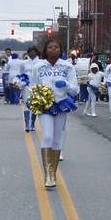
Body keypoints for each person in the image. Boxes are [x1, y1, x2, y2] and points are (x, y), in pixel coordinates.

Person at [30, 39, 76, 188]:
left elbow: (75, 89)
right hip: (45, 105)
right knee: (47, 136)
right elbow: (33, 85)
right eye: (50, 47)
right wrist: (38, 96)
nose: (53, 49)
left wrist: (66, 84)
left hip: (61, 104)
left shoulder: (68, 67)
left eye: (56, 47)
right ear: (46, 50)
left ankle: (53, 173)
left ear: (60, 50)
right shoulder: (38, 66)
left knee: (57, 138)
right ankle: (47, 174)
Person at [19, 47, 40, 131]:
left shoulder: (40, 62)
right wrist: (21, 82)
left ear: (36, 53)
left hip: (36, 86)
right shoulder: (23, 63)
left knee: (35, 105)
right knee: (27, 104)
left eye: (34, 52)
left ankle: (32, 123)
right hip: (26, 86)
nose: (32, 53)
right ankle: (27, 124)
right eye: (30, 52)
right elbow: (20, 74)